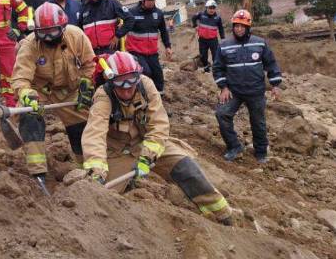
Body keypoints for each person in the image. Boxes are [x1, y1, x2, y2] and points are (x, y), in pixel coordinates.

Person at [81, 51, 232, 225]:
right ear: (111, 83)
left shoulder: (146, 85)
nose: (127, 90)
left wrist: (147, 156)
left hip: (147, 142)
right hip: (118, 151)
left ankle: (223, 215)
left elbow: (159, 125)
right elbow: (95, 134)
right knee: (103, 195)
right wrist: (97, 171)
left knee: (187, 169)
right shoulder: (103, 95)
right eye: (121, 87)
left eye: (131, 85)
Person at [11, 2, 96, 185]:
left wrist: (86, 84)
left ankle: (87, 168)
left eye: (53, 32)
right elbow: (20, 78)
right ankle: (38, 174)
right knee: (29, 116)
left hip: (69, 91)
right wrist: (27, 94)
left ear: (63, 27)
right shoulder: (30, 44)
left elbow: (89, 65)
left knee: (82, 126)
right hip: (39, 91)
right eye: (43, 33)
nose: (48, 37)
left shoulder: (76, 35)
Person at [213, 9, 282, 163]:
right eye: (236, 26)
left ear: (248, 27)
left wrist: (275, 85)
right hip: (234, 91)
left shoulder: (260, 43)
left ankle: (261, 151)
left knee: (258, 122)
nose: (239, 29)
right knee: (222, 114)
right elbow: (218, 68)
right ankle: (234, 147)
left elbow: (271, 64)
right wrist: (223, 87)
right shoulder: (224, 45)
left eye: (242, 26)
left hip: (256, 91)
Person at [79, 0, 134, 84]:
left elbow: (130, 19)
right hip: (92, 54)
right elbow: (79, 31)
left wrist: (118, 35)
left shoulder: (112, 4)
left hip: (110, 51)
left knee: (113, 81)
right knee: (96, 83)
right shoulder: (83, 8)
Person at [125, 0, 172, 93]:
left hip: (152, 52)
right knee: (146, 72)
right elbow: (123, 29)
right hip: (135, 51)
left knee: (158, 76)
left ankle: (158, 96)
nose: (152, 2)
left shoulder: (158, 14)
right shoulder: (132, 13)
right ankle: (142, 94)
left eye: (153, 0)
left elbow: (164, 32)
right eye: (149, 0)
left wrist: (168, 46)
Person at [192, 0, 225, 73]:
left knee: (215, 55)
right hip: (202, 39)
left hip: (213, 40)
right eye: (210, 8)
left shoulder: (218, 18)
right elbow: (193, 18)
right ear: (206, 8)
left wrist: (223, 38)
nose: (212, 10)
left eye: (213, 8)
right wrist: (195, 26)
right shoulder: (201, 14)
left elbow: (221, 28)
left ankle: (216, 69)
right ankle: (206, 68)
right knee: (203, 55)